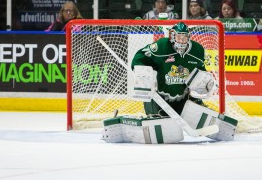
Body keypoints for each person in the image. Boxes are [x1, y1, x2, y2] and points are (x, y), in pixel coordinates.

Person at [102, 22, 238, 144]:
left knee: (202, 118)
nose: (182, 40)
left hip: (183, 99)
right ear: (172, 36)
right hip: (159, 100)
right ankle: (123, 126)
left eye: (185, 37)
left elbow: (200, 72)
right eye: (179, 37)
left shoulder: (197, 50)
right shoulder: (161, 47)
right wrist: (143, 75)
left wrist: (206, 83)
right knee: (164, 130)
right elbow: (139, 57)